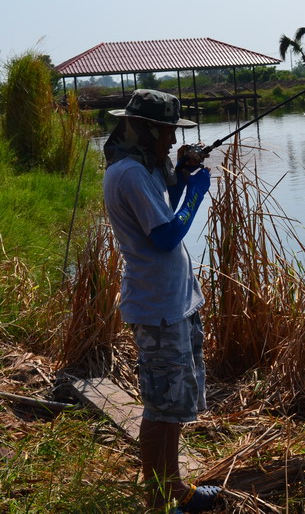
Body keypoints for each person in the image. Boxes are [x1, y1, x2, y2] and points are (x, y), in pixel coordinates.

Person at [103, 89, 220, 513]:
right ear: (148, 130)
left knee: (173, 408)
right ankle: (157, 501)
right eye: (168, 132)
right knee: (159, 409)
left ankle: (175, 490)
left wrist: (183, 177)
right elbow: (167, 235)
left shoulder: (145, 167)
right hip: (156, 308)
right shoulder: (129, 174)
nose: (173, 142)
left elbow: (163, 212)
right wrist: (196, 193)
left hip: (174, 303)